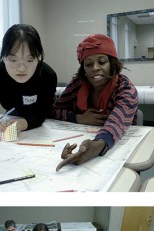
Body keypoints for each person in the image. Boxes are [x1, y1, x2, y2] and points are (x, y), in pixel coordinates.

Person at [53, 34, 139, 172]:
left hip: (121, 149)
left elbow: (115, 124)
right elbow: (55, 110)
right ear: (84, 69)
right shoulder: (77, 84)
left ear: (112, 63)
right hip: (78, 136)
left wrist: (97, 145)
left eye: (102, 62)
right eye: (88, 64)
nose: (95, 68)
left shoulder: (125, 89)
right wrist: (78, 118)